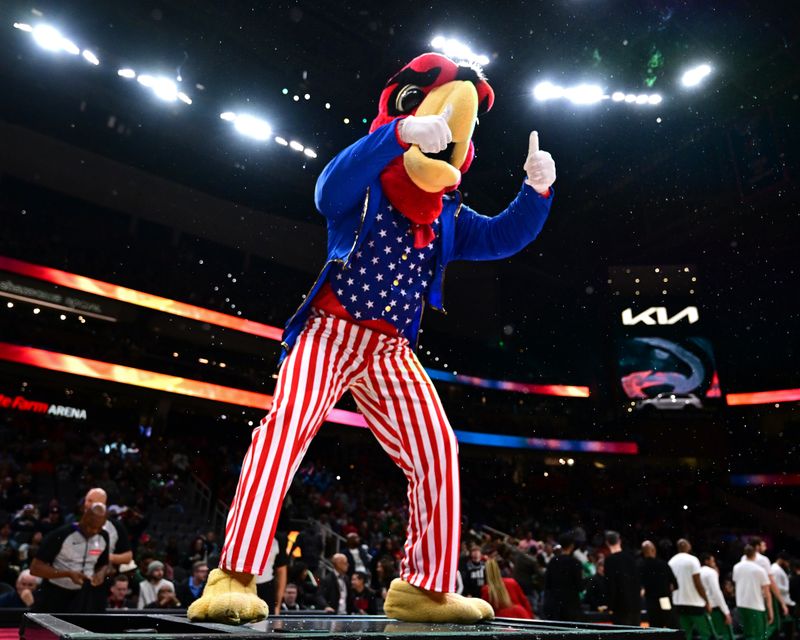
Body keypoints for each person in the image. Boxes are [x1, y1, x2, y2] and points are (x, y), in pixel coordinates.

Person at [188, 51, 555, 626]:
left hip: (390, 350)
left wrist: (536, 192)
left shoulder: (447, 214)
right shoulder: (366, 186)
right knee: (284, 431)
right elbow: (326, 188)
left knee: (438, 450)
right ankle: (234, 573)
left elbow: (503, 238)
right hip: (328, 334)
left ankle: (425, 587)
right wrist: (395, 135)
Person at [30, 504, 109, 613]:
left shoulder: (104, 537)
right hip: (55, 594)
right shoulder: (61, 535)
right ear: (84, 517)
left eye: (99, 528)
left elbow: (104, 564)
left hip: (85, 595)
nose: (94, 531)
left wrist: (101, 573)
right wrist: (67, 573)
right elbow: (35, 568)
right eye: (91, 526)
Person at [668, 538, 712, 640]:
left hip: (679, 603)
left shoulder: (671, 561)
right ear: (688, 546)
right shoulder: (693, 559)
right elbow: (698, 583)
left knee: (685, 634)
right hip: (695, 603)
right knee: (706, 633)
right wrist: (706, 600)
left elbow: (670, 585)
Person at [734, 545, 773, 640]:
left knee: (748, 635)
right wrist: (771, 611)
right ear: (755, 555)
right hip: (756, 606)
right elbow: (767, 593)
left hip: (741, 605)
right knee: (759, 636)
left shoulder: (736, 567)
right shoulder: (760, 570)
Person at [603, 531, 641, 626]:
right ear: (619, 541)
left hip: (620, 607)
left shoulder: (609, 560)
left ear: (607, 542)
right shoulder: (631, 557)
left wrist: (610, 606)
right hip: (635, 605)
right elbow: (637, 582)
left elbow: (610, 585)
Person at [543, 535, 583, 621]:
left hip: (555, 606)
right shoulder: (575, 563)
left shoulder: (553, 561)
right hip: (571, 607)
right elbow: (580, 586)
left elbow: (547, 584)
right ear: (572, 546)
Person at [639, 540, 677, 628]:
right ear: (654, 550)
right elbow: (674, 584)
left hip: (651, 601)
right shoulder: (663, 564)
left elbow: (640, 587)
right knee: (670, 623)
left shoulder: (640, 566)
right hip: (664, 599)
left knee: (655, 627)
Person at [699, 553, 732, 640]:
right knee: (725, 635)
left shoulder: (697, 572)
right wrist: (726, 611)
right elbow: (716, 592)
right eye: (712, 561)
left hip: (703, 607)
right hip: (715, 608)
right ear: (706, 561)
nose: (714, 563)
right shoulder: (711, 572)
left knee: (708, 635)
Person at [770, 551, 795, 640]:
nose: (788, 564)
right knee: (785, 626)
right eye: (786, 561)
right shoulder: (775, 569)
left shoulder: (777, 568)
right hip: (781, 600)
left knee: (788, 625)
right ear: (781, 560)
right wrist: (788, 588)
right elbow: (775, 586)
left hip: (784, 599)